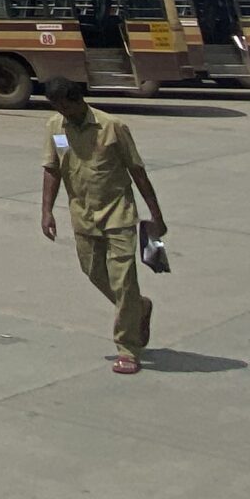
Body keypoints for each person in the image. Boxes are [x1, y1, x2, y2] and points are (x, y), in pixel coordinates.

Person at [38, 75, 165, 375]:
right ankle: (138, 307)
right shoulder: (56, 127)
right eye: (57, 109)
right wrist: (46, 211)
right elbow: (53, 168)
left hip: (118, 214)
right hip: (82, 215)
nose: (63, 115)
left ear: (77, 100)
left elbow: (137, 171)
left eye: (65, 108)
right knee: (93, 272)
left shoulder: (112, 127)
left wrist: (156, 215)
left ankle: (127, 348)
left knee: (124, 280)